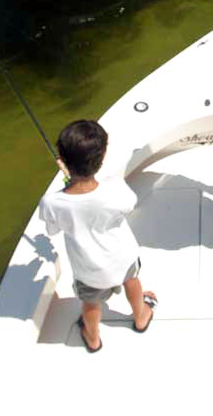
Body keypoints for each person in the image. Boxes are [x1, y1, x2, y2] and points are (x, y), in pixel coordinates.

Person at [39, 120, 156, 353]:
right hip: (123, 258)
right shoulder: (114, 186)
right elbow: (129, 205)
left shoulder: (51, 203)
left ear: (62, 159)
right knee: (132, 282)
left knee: (90, 303)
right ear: (102, 157)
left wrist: (69, 184)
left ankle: (92, 339)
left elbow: (52, 230)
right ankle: (141, 316)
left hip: (88, 270)